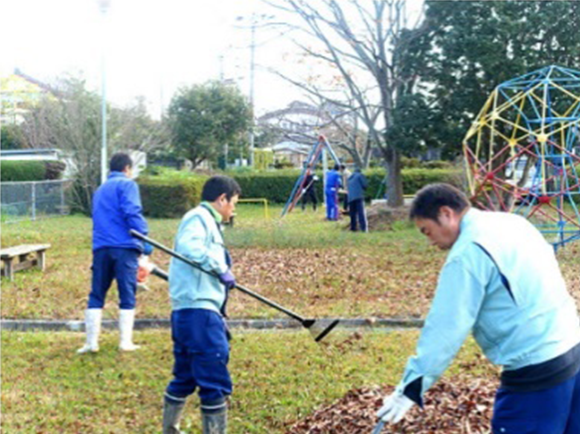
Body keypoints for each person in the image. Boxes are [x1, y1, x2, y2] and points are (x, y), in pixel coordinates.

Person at [377, 183, 580, 433]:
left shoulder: (468, 253)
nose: (430, 242)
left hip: (536, 370)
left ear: (446, 213)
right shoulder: (512, 222)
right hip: (571, 347)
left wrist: (410, 388)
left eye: (427, 231)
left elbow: (447, 328)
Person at [162, 176, 240, 434]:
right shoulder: (199, 218)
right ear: (221, 199)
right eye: (233, 203)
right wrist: (221, 268)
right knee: (213, 375)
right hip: (199, 312)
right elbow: (189, 247)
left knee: (185, 375)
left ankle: (170, 430)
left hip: (188, 312)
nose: (233, 210)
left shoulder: (205, 221)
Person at [77, 152, 151, 354]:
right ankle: (124, 342)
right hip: (124, 247)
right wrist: (144, 236)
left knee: (97, 293)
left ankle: (91, 342)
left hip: (101, 247)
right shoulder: (127, 185)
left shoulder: (100, 190)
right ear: (127, 169)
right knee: (127, 293)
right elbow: (131, 212)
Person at [347, 167, 368, 232]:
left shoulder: (349, 178)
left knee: (352, 214)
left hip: (350, 198)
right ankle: (363, 228)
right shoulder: (360, 175)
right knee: (361, 213)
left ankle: (353, 228)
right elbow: (365, 185)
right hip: (358, 197)